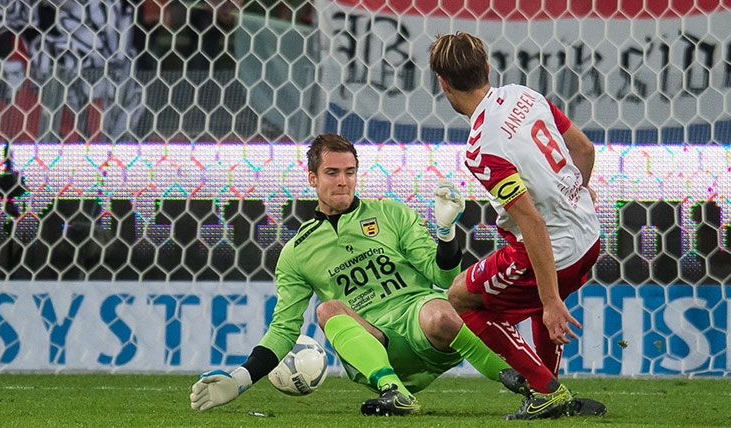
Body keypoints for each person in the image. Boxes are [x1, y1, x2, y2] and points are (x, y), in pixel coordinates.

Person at [190, 133, 532, 417]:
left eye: (350, 172)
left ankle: (527, 383)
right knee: (327, 310)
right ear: (312, 178)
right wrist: (240, 379)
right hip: (377, 348)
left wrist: (445, 233)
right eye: (332, 172)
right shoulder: (297, 252)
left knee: (440, 308)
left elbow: (443, 278)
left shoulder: (391, 214)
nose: (343, 181)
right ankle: (395, 394)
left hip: (424, 330)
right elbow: (283, 330)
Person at [429, 31, 607, 419]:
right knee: (527, 295)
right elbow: (585, 150)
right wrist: (578, 196)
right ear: (488, 69)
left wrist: (550, 301)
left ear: (442, 83)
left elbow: (532, 222)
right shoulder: (524, 95)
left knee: (460, 296)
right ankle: (552, 392)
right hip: (590, 236)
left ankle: (545, 391)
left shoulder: (481, 149)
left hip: (552, 248)